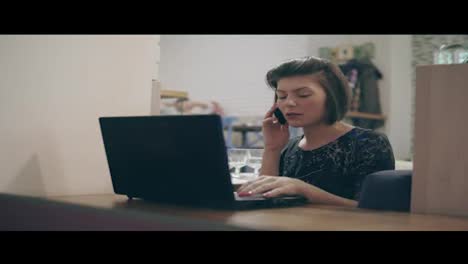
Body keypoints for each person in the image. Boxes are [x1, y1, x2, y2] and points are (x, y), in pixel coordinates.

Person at [237, 56, 395, 207]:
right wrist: (272, 149)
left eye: (303, 94)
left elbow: (375, 210)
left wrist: (303, 190)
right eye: (282, 96)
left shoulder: (370, 144)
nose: (289, 103)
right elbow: (267, 196)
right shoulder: (289, 147)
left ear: (332, 96)